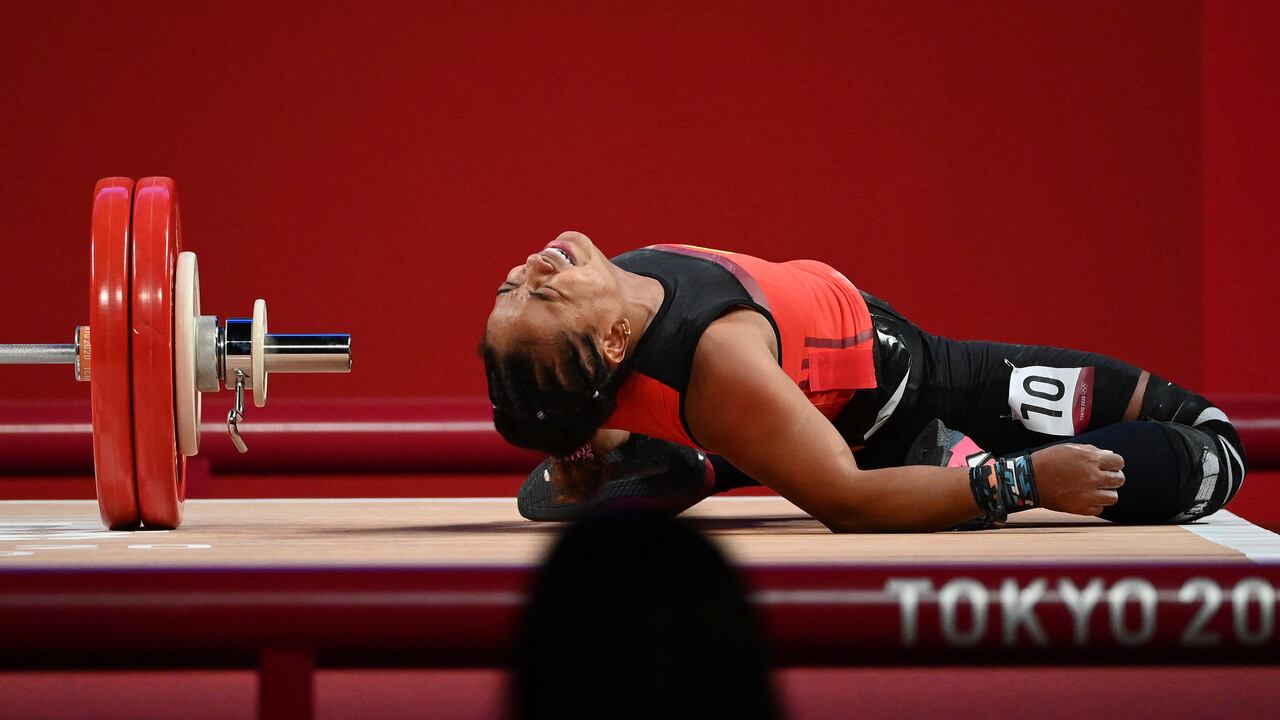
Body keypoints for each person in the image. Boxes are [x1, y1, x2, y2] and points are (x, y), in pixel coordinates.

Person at [482, 232, 1246, 532]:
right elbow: (843, 503)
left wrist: (578, 451)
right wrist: (1023, 482)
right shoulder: (721, 367)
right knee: (1215, 453)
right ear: (614, 341)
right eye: (542, 295)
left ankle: (701, 460)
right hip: (906, 394)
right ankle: (926, 463)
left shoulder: (620, 317)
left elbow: (570, 400)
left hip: (813, 397)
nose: (530, 269)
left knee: (1189, 417)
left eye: (510, 288)